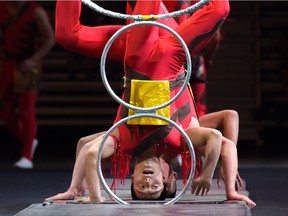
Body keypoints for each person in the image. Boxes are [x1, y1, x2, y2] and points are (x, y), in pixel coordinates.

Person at [46, 0, 256, 208]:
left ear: (131, 179)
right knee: (221, 8)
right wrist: (224, 185)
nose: (148, 183)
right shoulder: (180, 140)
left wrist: (79, 190)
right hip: (171, 54)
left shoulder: (125, 144)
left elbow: (86, 146)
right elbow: (221, 136)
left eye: (141, 189)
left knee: (67, 35)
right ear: (171, 178)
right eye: (155, 188)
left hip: (138, 52)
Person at [0, 1, 55, 169]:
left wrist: (33, 60)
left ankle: (27, 157)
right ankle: (29, 140)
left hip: (28, 66)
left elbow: (50, 39)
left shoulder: (35, 11)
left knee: (26, 110)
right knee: (4, 110)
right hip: (7, 64)